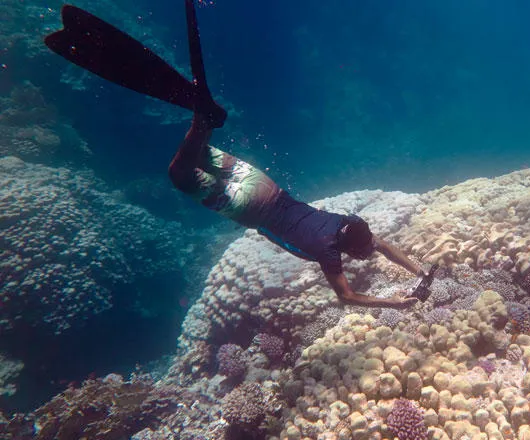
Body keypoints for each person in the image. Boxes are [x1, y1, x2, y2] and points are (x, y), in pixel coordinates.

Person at [45, 1, 427, 308]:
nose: (369, 253)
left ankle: (205, 119)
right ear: (349, 248)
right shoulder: (330, 253)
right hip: (247, 206)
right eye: (363, 253)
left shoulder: (347, 224)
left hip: (263, 185)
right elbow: (347, 297)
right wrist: (396, 303)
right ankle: (202, 115)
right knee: (179, 174)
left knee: (201, 150)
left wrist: (420, 270)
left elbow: (382, 244)